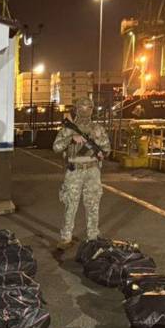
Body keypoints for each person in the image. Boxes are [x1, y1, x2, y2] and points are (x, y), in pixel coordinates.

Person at [53, 97, 111, 250]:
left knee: (93, 204)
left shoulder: (98, 128)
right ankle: (66, 237)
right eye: (82, 108)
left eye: (88, 108)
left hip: (92, 170)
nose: (85, 111)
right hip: (74, 170)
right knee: (70, 204)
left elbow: (107, 148)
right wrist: (71, 139)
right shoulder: (69, 129)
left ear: (92, 110)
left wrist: (102, 153)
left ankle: (93, 236)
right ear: (77, 109)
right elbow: (56, 147)